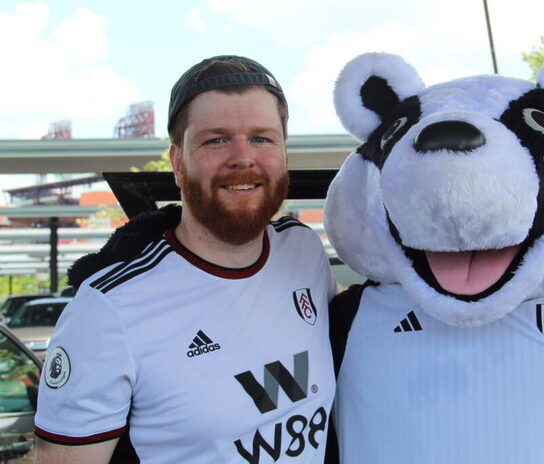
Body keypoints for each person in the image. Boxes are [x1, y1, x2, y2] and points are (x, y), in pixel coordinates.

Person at [34, 56, 337, 464]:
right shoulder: (106, 310)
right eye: (216, 139)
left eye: (263, 138)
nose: (243, 158)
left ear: (284, 153)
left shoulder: (304, 251)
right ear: (177, 162)